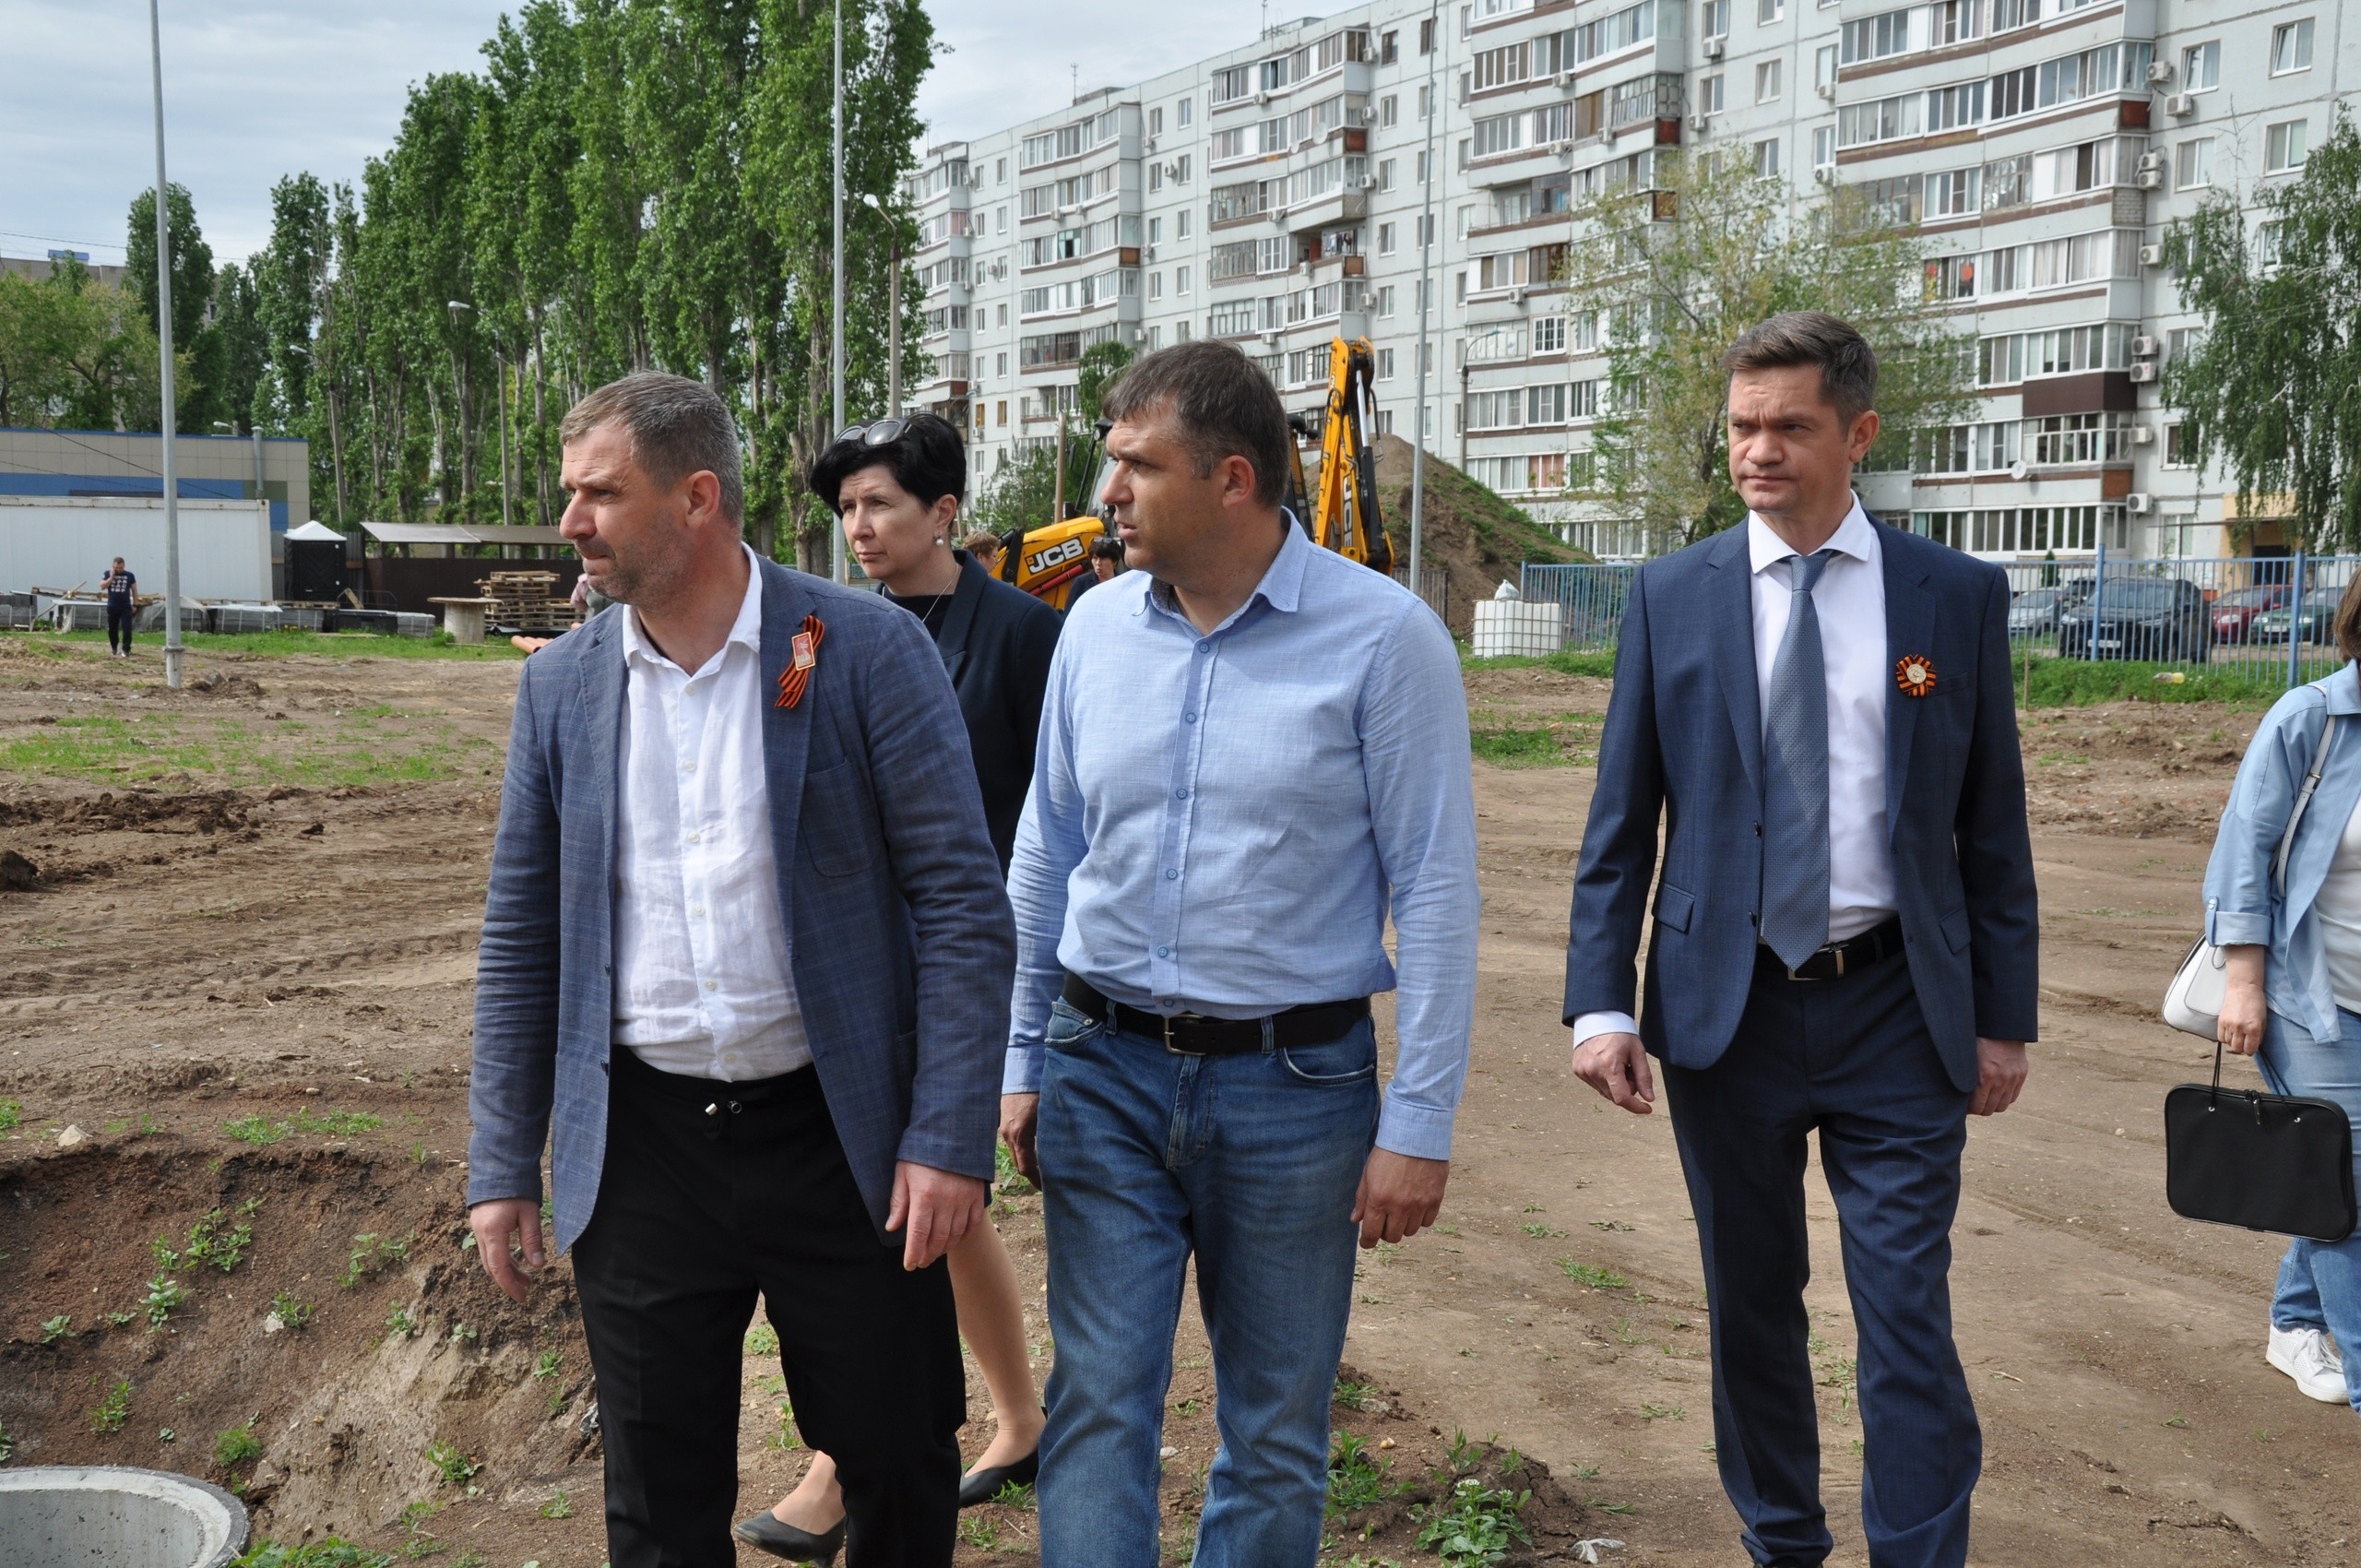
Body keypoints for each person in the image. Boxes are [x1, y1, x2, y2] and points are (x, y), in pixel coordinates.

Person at [467, 372, 1014, 1568]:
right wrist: (502, 1162)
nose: (570, 521)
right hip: (643, 1150)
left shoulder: (860, 650)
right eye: (571, 492)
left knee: (897, 1465)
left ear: (696, 499)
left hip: (842, 1138)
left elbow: (963, 906)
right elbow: (521, 935)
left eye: (601, 493)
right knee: (656, 1502)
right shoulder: (562, 687)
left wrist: (944, 1136)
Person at [1563, 312, 2037, 1568]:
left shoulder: (1953, 596)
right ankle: (1782, 1540)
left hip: (1900, 1009)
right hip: (1728, 1013)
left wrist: (2005, 1018)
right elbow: (1621, 819)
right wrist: (1600, 1003)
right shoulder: (1673, 595)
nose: (1758, 451)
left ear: (1858, 433)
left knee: (1905, 1313)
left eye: (1789, 425)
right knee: (1751, 1307)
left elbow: (1993, 826)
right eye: (1742, 426)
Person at [1000, 339, 1480, 1566]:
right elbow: (1047, 851)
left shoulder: (1385, 640)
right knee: (1096, 1399)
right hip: (1101, 1067)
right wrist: (1019, 1057)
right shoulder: (1093, 630)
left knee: (1273, 1428)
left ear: (1230, 479)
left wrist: (1419, 1122)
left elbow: (1434, 891)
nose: (1108, 493)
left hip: (1295, 1093)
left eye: (1136, 466)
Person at [737, 413, 1062, 1560]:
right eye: (846, 509)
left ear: (945, 513)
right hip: (863, 970)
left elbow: (1056, 811)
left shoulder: (1023, 635)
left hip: (970, 964)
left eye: (879, 503)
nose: (859, 527)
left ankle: (847, 1463)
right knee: (916, 1200)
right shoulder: (820, 634)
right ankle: (1011, 1416)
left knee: (912, 1197)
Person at [2205, 576, 2361, 1413]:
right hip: (2314, 997)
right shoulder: (2313, 718)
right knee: (2351, 1187)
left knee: (2339, 1176)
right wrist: (2243, 981)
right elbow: (2245, 849)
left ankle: (2296, 1321)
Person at [101, 556, 136, 657]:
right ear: (113, 566)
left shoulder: (130, 575)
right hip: (112, 606)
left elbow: (134, 590)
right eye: (116, 568)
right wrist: (111, 578)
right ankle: (114, 646)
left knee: (127, 628)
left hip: (125, 606)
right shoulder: (107, 573)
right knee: (112, 628)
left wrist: (135, 604)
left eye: (121, 568)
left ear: (124, 566)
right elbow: (102, 586)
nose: (119, 570)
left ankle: (126, 649)